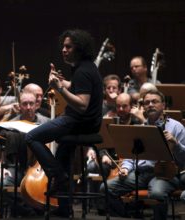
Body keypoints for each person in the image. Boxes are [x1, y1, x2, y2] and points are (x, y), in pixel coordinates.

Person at [25, 29, 103, 217]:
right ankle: (65, 208)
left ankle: (58, 176)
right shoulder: (85, 67)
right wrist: (63, 82)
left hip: (80, 121)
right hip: (84, 121)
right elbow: (77, 87)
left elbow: (82, 105)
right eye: (63, 46)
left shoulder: (83, 71)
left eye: (69, 47)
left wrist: (58, 88)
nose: (64, 50)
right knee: (62, 153)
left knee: (31, 137)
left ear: (80, 48)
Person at [102, 90, 185, 219]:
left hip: (164, 174)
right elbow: (131, 154)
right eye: (147, 102)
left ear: (163, 105)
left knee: (157, 193)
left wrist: (176, 144)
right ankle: (124, 216)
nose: (150, 105)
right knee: (106, 188)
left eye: (154, 101)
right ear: (143, 107)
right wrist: (125, 168)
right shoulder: (140, 126)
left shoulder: (176, 127)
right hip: (140, 173)